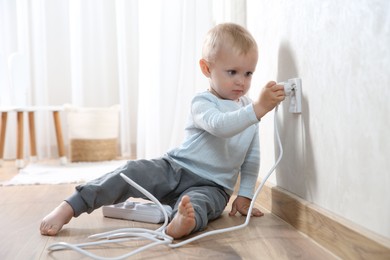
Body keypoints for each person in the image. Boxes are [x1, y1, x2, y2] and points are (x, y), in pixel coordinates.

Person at [40, 22, 285, 239]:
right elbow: (220, 126)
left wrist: (244, 195)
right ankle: (71, 206)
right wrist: (258, 108)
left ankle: (182, 224)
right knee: (130, 171)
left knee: (200, 205)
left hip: (215, 186)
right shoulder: (203, 103)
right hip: (175, 168)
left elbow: (251, 159)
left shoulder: (251, 113)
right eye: (232, 72)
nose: (242, 81)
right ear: (206, 69)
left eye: (248, 73)